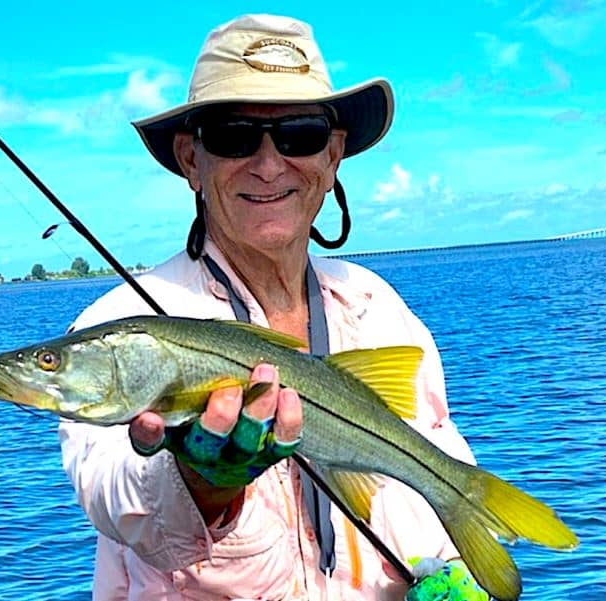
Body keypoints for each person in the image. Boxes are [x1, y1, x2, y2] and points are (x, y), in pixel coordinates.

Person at [59, 14, 482, 601]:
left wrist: (456, 567)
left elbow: (436, 459)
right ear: (190, 160)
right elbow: (113, 494)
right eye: (234, 136)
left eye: (300, 134)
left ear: (332, 157)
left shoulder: (378, 306)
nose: (267, 162)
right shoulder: (118, 324)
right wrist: (200, 483)